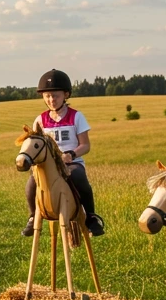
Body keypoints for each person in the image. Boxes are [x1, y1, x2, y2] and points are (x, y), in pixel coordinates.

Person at [22, 69, 105, 238]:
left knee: (79, 177)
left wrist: (72, 155)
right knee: (31, 184)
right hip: (47, 165)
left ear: (66, 95)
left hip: (71, 162)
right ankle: (32, 217)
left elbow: (85, 145)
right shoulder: (40, 120)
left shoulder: (76, 116)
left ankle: (91, 217)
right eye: (47, 96)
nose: (51, 100)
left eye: (56, 96)